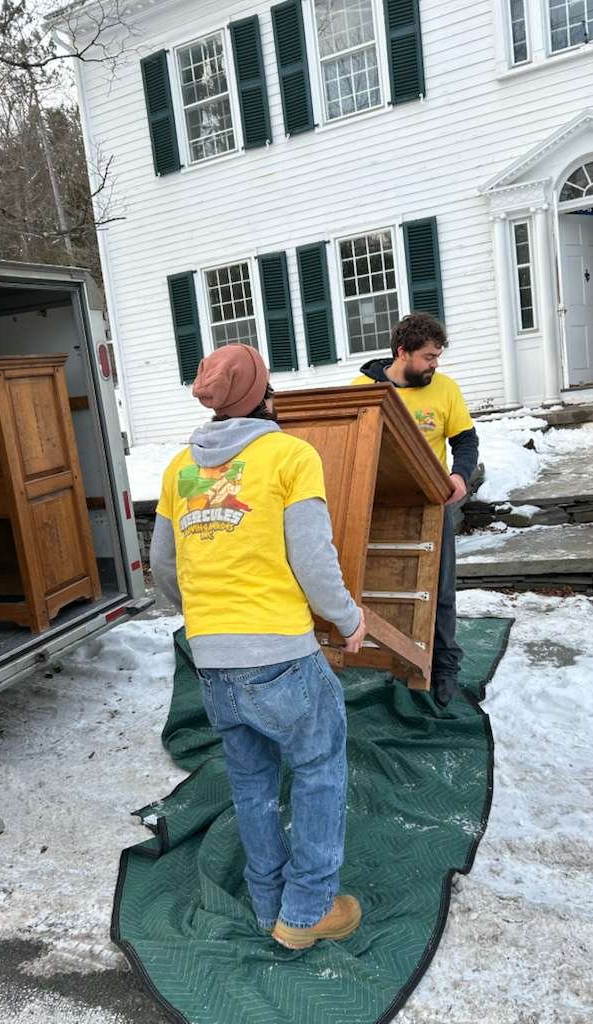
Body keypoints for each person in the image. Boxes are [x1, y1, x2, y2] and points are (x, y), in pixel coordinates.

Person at [150, 344, 366, 950]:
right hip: (281, 652)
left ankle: (265, 901)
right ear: (264, 395)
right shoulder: (291, 454)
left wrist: (204, 614)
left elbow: (164, 570)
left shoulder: (178, 470)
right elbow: (314, 560)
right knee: (319, 772)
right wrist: (348, 619)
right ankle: (306, 913)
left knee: (251, 783)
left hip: (212, 657)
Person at [351, 312, 479, 709]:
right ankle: (389, 656)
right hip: (377, 505)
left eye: (438, 356)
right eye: (428, 357)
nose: (434, 364)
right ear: (402, 353)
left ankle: (443, 669)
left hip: (429, 503)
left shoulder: (445, 390)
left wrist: (459, 476)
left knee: (438, 591)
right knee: (382, 585)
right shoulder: (363, 390)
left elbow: (466, 441)